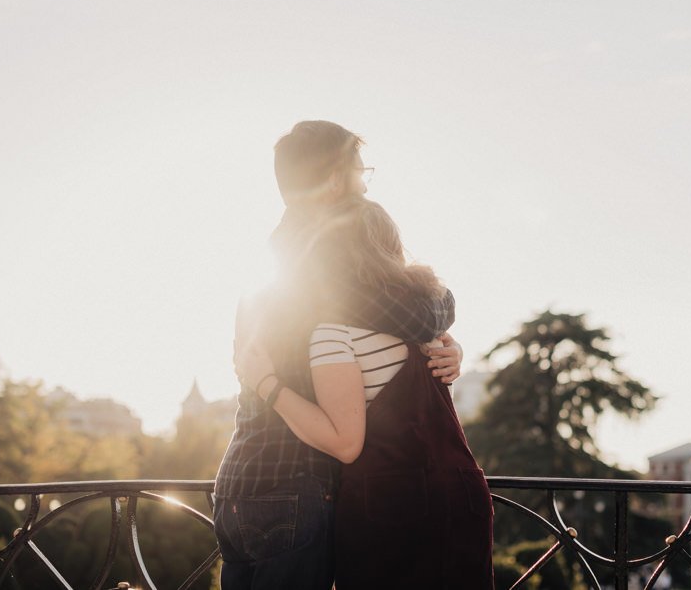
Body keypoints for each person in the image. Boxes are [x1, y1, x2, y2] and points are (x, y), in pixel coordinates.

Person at [212, 121, 464, 590]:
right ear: (333, 179)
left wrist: (448, 343)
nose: (365, 183)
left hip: (238, 483)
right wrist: (444, 312)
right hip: (294, 487)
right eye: (359, 170)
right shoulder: (324, 259)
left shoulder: (275, 254)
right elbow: (417, 315)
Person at [238, 197, 494, 589]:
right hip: (463, 500)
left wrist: (267, 384)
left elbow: (344, 443)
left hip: (392, 509)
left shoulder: (335, 332)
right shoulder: (425, 327)